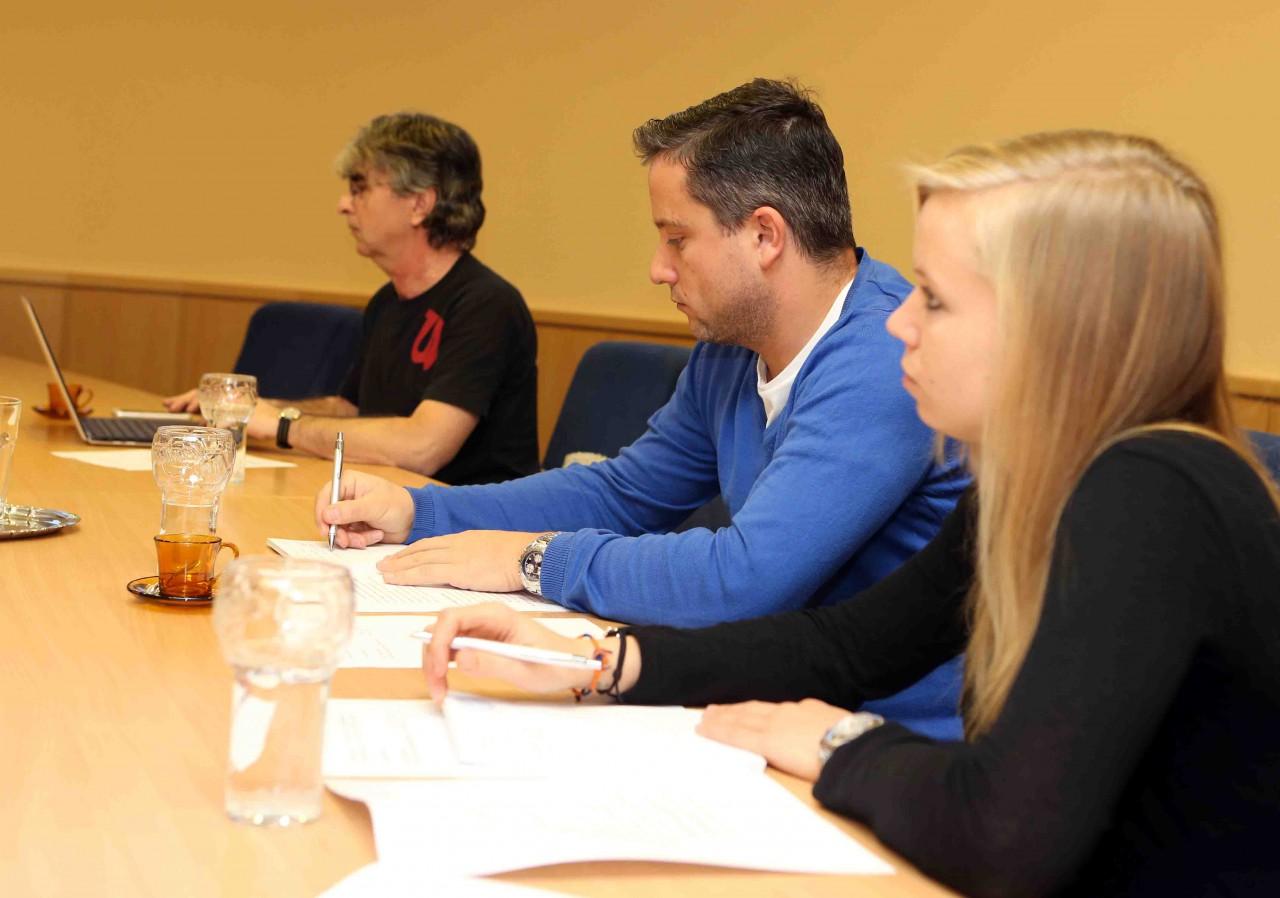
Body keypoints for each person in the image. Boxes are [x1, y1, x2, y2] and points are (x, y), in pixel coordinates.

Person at [407, 131, 1280, 897]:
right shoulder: (1042, 480)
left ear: (1061, 326)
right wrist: (601, 662)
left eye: (935, 298)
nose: (900, 323)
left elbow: (1003, 836)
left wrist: (837, 742)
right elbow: (847, 645)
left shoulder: (1150, 493)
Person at [318, 79, 969, 737]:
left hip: (884, 740)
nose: (659, 268)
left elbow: (745, 578)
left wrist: (534, 558)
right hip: (765, 703)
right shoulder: (732, 344)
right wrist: (422, 512)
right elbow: (625, 492)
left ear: (764, 235)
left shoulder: (885, 355)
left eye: (676, 238)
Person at [166, 113, 539, 485]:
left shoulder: (487, 305)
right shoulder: (387, 302)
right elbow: (351, 409)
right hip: (393, 500)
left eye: (360, 189)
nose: (344, 204)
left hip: (467, 514)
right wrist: (246, 408)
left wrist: (282, 425)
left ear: (419, 205)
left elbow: (422, 447)